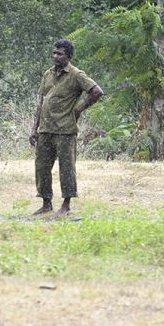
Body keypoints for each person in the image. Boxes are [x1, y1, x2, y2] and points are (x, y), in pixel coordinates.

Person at [30, 39, 104, 216]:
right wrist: (34, 128)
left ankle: (66, 205)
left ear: (68, 57)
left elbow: (97, 91)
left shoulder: (76, 75)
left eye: (60, 53)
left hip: (65, 130)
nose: (55, 56)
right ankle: (46, 203)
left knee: (66, 167)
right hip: (45, 129)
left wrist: (79, 110)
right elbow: (40, 102)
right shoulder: (48, 74)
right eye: (54, 53)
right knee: (41, 166)